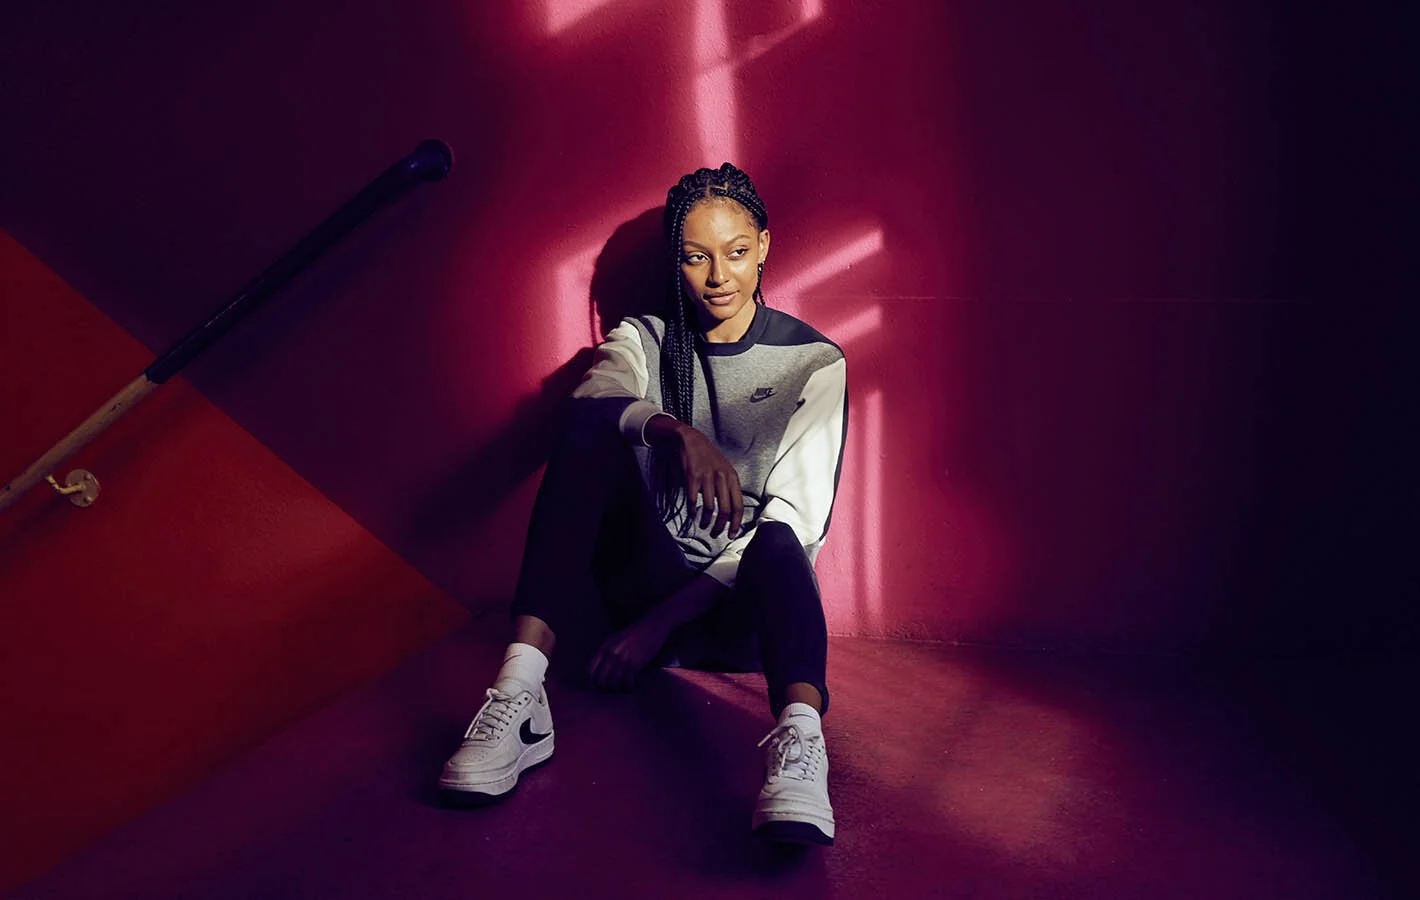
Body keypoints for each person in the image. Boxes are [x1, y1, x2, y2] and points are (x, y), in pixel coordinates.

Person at [438, 163, 848, 847]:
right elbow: (594, 397)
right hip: (632, 593)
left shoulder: (814, 362)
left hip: (739, 620)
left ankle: (800, 750)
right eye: (696, 256)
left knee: (780, 536)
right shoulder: (647, 338)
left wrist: (657, 626)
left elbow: (800, 522)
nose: (719, 275)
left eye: (736, 252)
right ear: (676, 261)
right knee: (587, 425)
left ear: (764, 248)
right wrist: (672, 429)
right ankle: (519, 694)